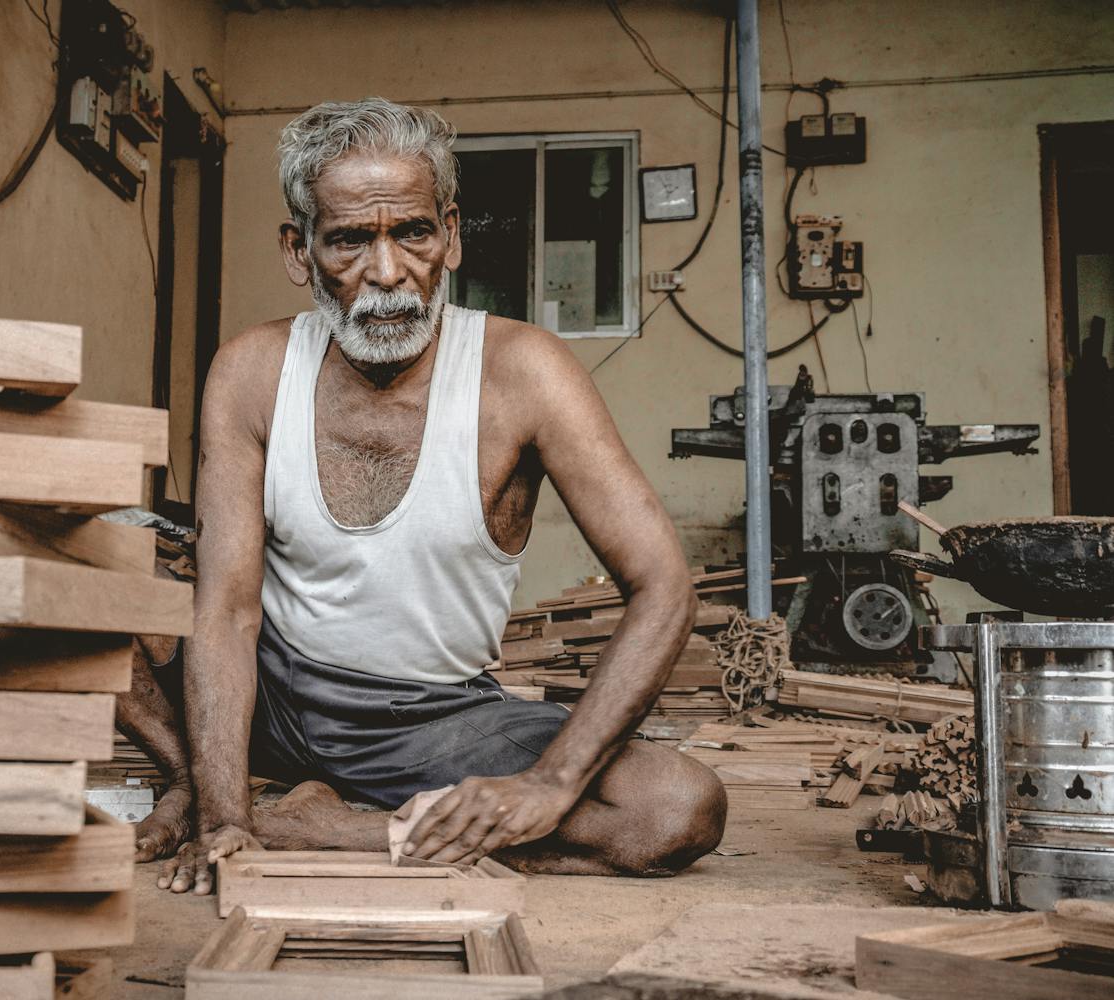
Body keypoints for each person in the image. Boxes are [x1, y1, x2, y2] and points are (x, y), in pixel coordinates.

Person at [129, 97, 726, 893]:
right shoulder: (251, 371)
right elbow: (228, 612)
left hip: (435, 724)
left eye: (411, 233)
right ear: (299, 251)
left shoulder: (525, 374)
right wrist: (222, 820)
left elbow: (664, 587)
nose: (387, 274)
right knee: (72, 574)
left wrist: (548, 785)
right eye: (349, 240)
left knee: (675, 808)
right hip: (269, 694)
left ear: (450, 234)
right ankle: (198, 781)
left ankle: (326, 829)